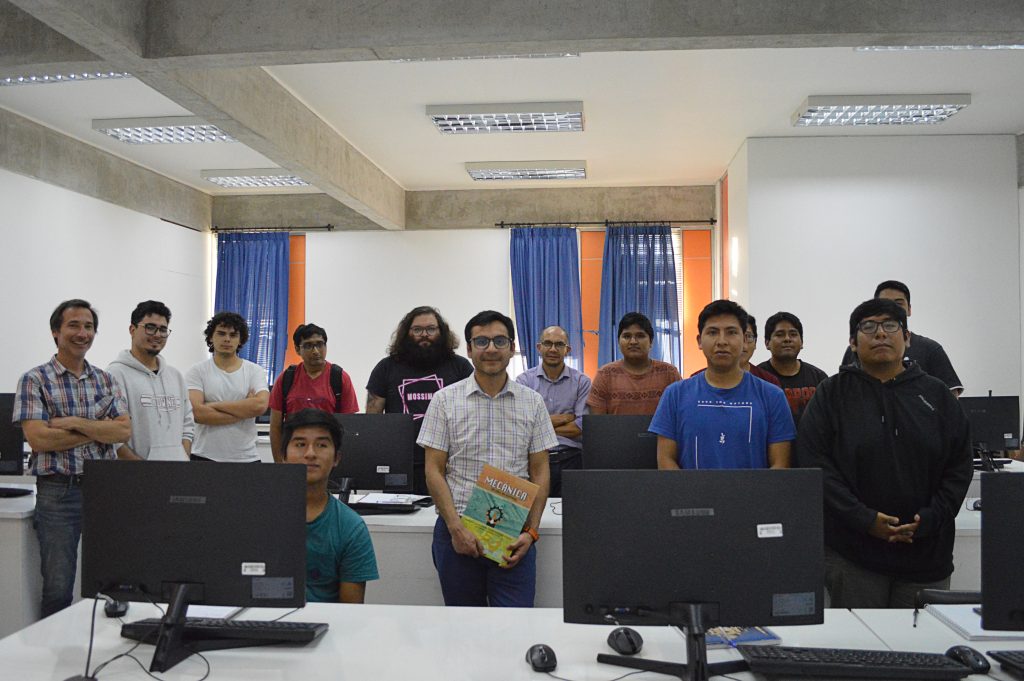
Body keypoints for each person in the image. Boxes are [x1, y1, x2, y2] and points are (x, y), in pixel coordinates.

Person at [797, 298, 972, 608]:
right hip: (853, 555)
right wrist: (864, 519)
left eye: (890, 326)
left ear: (906, 338)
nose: (880, 334)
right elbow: (815, 463)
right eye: (868, 327)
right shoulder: (832, 394)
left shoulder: (937, 395)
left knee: (922, 651)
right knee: (861, 652)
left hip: (926, 554)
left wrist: (931, 518)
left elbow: (959, 466)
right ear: (852, 343)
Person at [418, 310, 557, 607]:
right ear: (468, 349)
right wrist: (456, 529)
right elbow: (433, 469)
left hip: (514, 535)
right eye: (481, 341)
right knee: (463, 630)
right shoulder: (444, 400)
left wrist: (531, 532)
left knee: (515, 628)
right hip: (457, 533)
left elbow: (541, 471)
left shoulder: (532, 403)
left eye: (499, 340)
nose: (491, 348)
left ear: (511, 347)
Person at [13, 299, 131, 616]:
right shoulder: (34, 380)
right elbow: (38, 438)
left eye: (89, 326)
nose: (82, 333)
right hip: (57, 492)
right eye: (74, 325)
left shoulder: (106, 379)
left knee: (110, 582)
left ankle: (104, 650)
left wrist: (75, 423)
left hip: (104, 489)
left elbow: (122, 433)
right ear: (56, 332)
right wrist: (99, 428)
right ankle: (55, 659)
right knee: (58, 586)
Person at [651, 300, 795, 470]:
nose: (722, 341)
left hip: (753, 496)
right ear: (699, 341)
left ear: (745, 340)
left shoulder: (772, 396)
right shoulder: (675, 395)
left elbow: (780, 465)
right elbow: (666, 460)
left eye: (731, 332)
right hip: (691, 495)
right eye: (712, 332)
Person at [365, 306, 473, 493]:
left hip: (450, 465)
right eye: (417, 330)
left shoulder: (461, 367)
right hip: (401, 465)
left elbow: (474, 414)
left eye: (431, 329)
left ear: (442, 332)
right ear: (407, 333)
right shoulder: (386, 368)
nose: (424, 334)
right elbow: (373, 421)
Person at [282, 408, 379, 603]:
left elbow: (351, 610)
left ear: (337, 458)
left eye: (321, 445)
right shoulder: (255, 517)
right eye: (300, 444)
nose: (310, 454)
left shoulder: (351, 528)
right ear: (283, 456)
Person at [840, 280, 963, 395]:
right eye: (885, 303)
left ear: (909, 309)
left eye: (898, 303)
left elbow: (950, 398)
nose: (891, 308)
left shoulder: (930, 348)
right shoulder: (858, 348)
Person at [106, 300, 194, 461]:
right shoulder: (115, 375)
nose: (157, 335)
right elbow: (112, 434)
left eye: (163, 329)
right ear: (132, 330)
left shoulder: (175, 376)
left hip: (178, 473)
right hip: (136, 476)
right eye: (150, 327)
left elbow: (188, 424)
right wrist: (143, 471)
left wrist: (183, 457)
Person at [515, 325, 591, 498]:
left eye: (559, 344)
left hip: (572, 460)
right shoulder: (523, 381)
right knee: (533, 515)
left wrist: (539, 425)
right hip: (533, 460)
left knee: (572, 516)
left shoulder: (582, 382)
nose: (553, 349)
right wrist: (566, 418)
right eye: (547, 343)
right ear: (539, 347)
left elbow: (580, 428)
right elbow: (522, 426)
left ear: (567, 350)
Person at [186, 312, 270, 462]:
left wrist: (212, 405)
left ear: (240, 340)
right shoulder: (197, 371)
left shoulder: (254, 371)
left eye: (233, 335)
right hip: (204, 457)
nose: (227, 339)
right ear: (211, 337)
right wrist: (244, 409)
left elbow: (260, 405)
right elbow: (198, 413)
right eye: (221, 333)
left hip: (246, 458)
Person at [269, 323, 358, 463]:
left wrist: (341, 463)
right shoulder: (286, 378)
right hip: (294, 453)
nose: (316, 351)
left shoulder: (339, 377)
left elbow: (349, 425)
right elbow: (275, 426)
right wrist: (279, 463)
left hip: (326, 454)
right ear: (298, 349)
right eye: (309, 345)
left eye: (320, 344)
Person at [588, 312, 682, 415]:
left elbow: (682, 415)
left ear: (651, 342)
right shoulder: (605, 375)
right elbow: (597, 424)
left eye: (640, 336)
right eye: (627, 336)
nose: (633, 342)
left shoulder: (669, 373)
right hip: (615, 432)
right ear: (618, 342)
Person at [757, 311, 829, 427]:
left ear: (802, 342)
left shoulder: (819, 377)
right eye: (780, 334)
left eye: (793, 334)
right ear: (767, 343)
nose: (787, 339)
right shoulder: (756, 377)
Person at [690, 314, 782, 388]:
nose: (743, 344)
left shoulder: (769, 382)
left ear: (755, 343)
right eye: (713, 333)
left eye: (748, 336)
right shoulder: (694, 382)